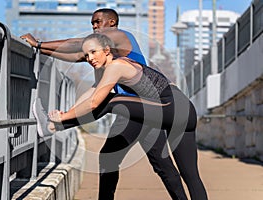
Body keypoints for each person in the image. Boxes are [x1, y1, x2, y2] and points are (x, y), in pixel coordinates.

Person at [23, 8, 206, 200]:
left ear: (111, 23)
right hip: (156, 109)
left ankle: (53, 126)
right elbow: (79, 55)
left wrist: (39, 43)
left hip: (145, 108)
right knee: (170, 167)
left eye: (97, 22)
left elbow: (81, 46)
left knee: (111, 146)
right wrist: (40, 49)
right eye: (92, 23)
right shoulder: (110, 58)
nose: (94, 27)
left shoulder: (118, 36)